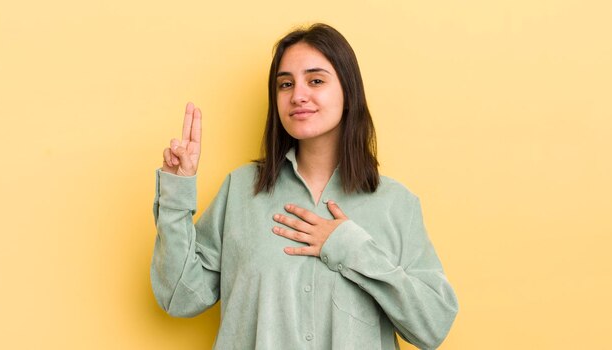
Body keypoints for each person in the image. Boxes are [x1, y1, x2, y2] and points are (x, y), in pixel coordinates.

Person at [151, 23, 458, 349]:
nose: (298, 95)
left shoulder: (396, 204)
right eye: (285, 84)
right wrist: (177, 191)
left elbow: (433, 325)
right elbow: (180, 297)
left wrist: (350, 247)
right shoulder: (240, 191)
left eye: (315, 80)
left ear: (348, 91)